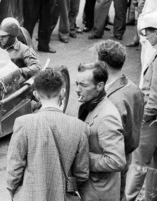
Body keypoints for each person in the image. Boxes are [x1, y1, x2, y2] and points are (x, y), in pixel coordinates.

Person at [7, 68, 89, 201]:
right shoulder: (80, 128)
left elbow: (14, 170)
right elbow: (82, 174)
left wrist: (15, 193)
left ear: (36, 94)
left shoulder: (23, 123)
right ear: (63, 92)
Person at [94, 39, 144, 201]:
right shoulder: (134, 88)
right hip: (126, 156)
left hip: (110, 162)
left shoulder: (111, 100)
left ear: (103, 64)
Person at [76, 61, 126, 200]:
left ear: (100, 86)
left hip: (99, 193)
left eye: (84, 85)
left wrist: (82, 158)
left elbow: (116, 161)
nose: (77, 89)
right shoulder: (90, 105)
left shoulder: (107, 116)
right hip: (90, 188)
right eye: (77, 84)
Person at [125, 10, 157, 201]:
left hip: (150, 119)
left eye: (148, 33)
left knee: (138, 164)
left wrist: (141, 118)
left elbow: (154, 97)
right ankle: (151, 195)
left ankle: (129, 197)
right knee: (153, 164)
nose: (145, 37)